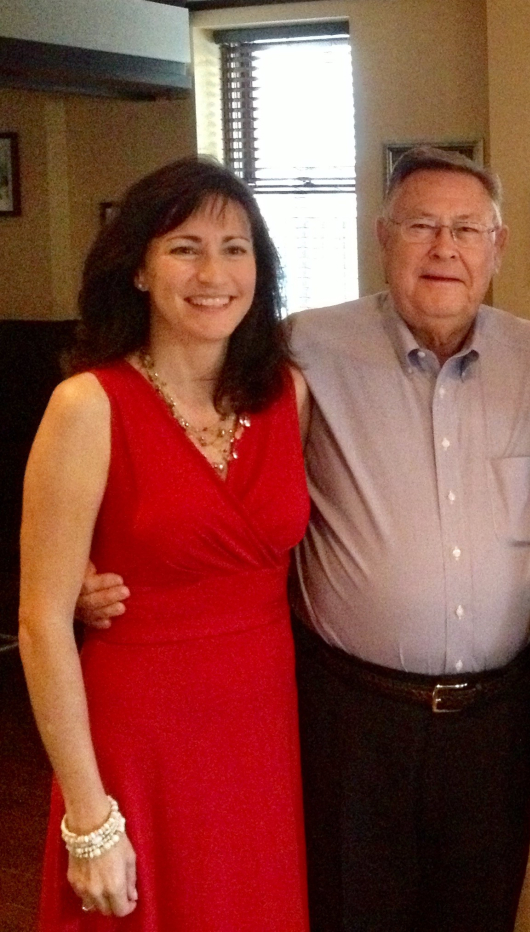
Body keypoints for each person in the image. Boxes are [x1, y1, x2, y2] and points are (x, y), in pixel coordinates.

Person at [76, 147, 530, 931]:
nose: (444, 248)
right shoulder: (299, 349)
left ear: (499, 246)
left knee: (477, 914)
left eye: (466, 229)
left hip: (495, 722)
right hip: (349, 715)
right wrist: (89, 555)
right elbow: (174, 422)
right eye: (421, 225)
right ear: (381, 235)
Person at [19, 157, 310, 928]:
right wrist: (89, 814)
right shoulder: (87, 405)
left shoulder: (288, 394)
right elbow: (41, 622)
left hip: (263, 733)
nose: (213, 271)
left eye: (236, 247)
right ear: (140, 268)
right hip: (140, 736)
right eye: (185, 247)